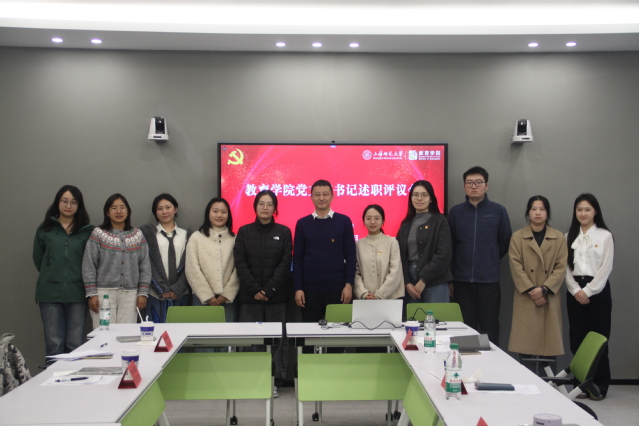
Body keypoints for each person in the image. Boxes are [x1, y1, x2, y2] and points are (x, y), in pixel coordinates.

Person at [234, 190, 292, 395]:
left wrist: (269, 290)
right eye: (261, 204)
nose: (265, 207)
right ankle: (254, 380)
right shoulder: (244, 232)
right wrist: (255, 289)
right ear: (255, 207)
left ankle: (274, 381)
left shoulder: (284, 232)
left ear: (275, 208)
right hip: (250, 298)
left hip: (277, 298)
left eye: (269, 204)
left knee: (277, 342)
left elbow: (285, 263)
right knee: (253, 340)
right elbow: (240, 262)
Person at [448, 166, 512, 345]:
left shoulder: (498, 211)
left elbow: (505, 241)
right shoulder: (456, 212)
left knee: (489, 327)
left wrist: (490, 258)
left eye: (478, 182)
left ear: (487, 185)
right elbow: (450, 245)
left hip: (488, 280)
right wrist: (451, 278)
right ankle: (465, 361)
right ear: (464, 186)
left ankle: (491, 361)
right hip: (461, 281)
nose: (474, 186)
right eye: (469, 183)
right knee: (464, 327)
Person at [33, 185, 94, 357]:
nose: (68, 206)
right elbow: (38, 259)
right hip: (49, 293)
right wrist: (51, 274)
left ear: (79, 205)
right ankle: (53, 375)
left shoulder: (88, 231)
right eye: (64, 201)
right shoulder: (45, 229)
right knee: (54, 344)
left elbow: (91, 261)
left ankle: (73, 375)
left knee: (75, 344)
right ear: (57, 203)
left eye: (73, 202)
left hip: (78, 293)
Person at [508, 196, 567, 372]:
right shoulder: (518, 237)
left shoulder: (558, 237)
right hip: (526, 297)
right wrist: (533, 291)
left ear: (547, 213)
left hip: (549, 297)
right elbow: (515, 266)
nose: (538, 213)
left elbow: (561, 267)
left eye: (542, 209)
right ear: (528, 213)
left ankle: (548, 382)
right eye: (534, 209)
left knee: (549, 345)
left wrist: (544, 290)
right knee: (526, 344)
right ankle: (526, 380)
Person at [565, 193, 613, 400]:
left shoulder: (604, 236)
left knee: (598, 338)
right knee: (577, 338)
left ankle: (599, 385)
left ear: (595, 212)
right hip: (575, 291)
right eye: (579, 209)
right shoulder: (568, 236)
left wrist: (589, 291)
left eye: (587, 209)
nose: (583, 213)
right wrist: (576, 290)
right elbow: (565, 268)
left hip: (598, 290)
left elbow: (606, 267)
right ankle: (580, 385)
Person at [82, 194, 151, 328]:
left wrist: (143, 293)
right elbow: (89, 264)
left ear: (128, 211)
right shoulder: (98, 234)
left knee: (126, 333)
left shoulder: (138, 235)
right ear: (107, 212)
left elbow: (145, 265)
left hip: (130, 294)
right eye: (114, 208)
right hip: (103, 294)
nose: (118, 211)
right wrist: (92, 294)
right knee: (103, 332)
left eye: (122, 208)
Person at [294, 179, 356, 323]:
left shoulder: (344, 221)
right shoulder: (302, 224)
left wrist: (348, 285)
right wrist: (298, 288)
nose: (321, 198)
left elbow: (351, 256)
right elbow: (298, 259)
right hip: (309, 290)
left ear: (332, 196)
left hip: (337, 289)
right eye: (317, 194)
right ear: (311, 197)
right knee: (310, 332)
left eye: (325, 194)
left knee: (338, 331)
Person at [396, 181, 452, 307]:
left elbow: (444, 254)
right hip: (410, 281)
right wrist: (406, 282)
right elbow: (400, 256)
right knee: (414, 318)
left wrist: (423, 279)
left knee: (436, 318)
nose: (419, 198)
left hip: (435, 280)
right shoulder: (405, 224)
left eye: (424, 195)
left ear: (431, 199)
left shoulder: (440, 221)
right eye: (415, 195)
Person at [186, 197, 239, 323]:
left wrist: (226, 294)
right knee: (201, 334)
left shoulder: (235, 239)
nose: (219, 215)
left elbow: (238, 269)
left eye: (223, 212)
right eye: (215, 211)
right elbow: (192, 269)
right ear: (208, 213)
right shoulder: (196, 238)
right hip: (201, 299)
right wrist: (208, 296)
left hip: (227, 300)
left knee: (227, 333)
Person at [140, 194, 192, 323]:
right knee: (156, 332)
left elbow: (191, 265)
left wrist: (177, 288)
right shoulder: (148, 235)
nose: (164, 212)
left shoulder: (187, 235)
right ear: (155, 212)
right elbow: (146, 264)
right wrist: (161, 288)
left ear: (175, 209)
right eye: (160, 208)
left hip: (181, 295)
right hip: (155, 295)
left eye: (168, 207)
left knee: (180, 331)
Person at [354, 204, 403, 301]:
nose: (372, 222)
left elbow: (395, 272)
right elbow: (356, 273)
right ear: (363, 220)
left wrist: (381, 294)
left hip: (390, 299)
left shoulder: (392, 242)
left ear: (383, 221)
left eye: (377, 218)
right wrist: (363, 293)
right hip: (366, 300)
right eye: (368, 218)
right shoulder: (358, 245)